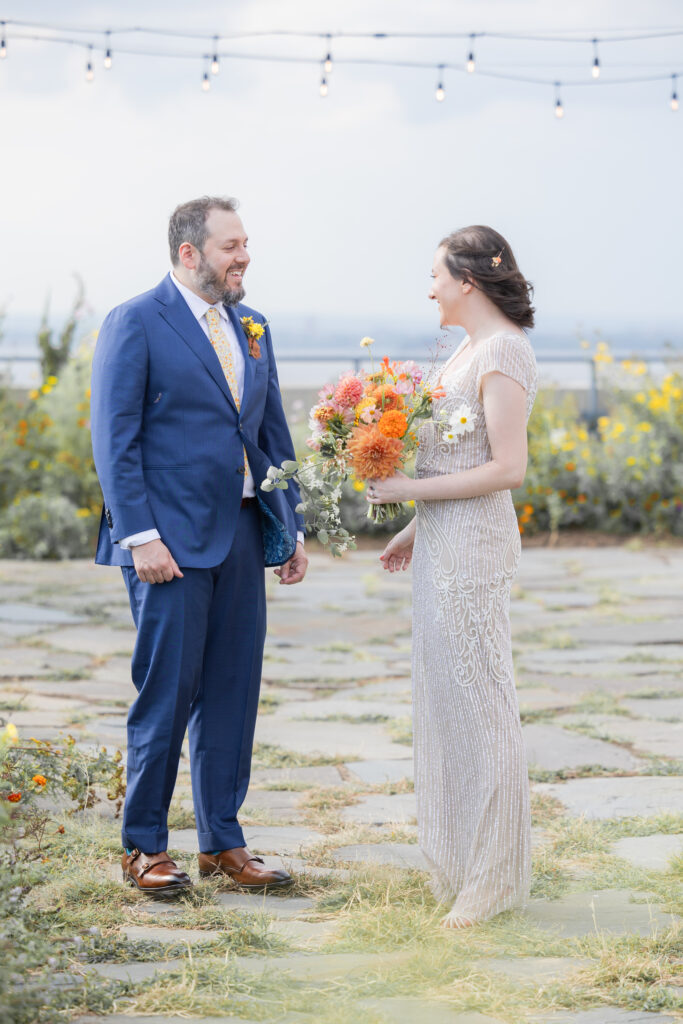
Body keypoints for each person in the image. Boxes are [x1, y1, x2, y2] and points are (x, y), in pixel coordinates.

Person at [90, 196, 308, 895]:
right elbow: (113, 439)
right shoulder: (134, 321)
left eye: (245, 243)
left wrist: (288, 526)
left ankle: (222, 842)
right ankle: (143, 846)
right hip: (167, 546)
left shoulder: (253, 325)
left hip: (243, 534)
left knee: (233, 692)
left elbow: (270, 434)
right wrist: (140, 537)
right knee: (166, 696)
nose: (244, 256)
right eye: (230, 246)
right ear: (189, 253)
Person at [368, 225, 537, 928]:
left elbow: (505, 468)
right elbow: (454, 462)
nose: (428, 286)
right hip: (443, 543)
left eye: (436, 274)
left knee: (483, 704)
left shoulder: (500, 350)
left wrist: (407, 492)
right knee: (449, 706)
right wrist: (414, 527)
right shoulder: (464, 350)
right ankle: (466, 858)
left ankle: (496, 877)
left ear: (467, 280)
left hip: (473, 551)